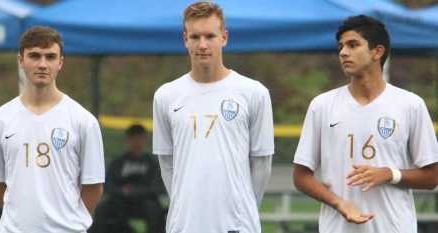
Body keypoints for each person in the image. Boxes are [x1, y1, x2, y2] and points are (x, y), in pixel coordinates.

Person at [293, 15, 438, 233]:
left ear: (377, 52)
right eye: (341, 46)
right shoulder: (322, 105)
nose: (343, 52)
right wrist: (339, 203)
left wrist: (390, 173)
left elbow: (432, 177)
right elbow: (301, 176)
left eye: (353, 45)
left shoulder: (410, 105)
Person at [152, 2, 275, 233]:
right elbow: (166, 163)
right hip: (184, 225)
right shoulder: (166, 96)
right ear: (185, 39)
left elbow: (262, 163)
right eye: (195, 36)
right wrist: (184, 204)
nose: (203, 45)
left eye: (210, 36)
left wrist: (243, 206)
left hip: (237, 225)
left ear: (224, 38)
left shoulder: (253, 92)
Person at [0, 26, 105, 233]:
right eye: (34, 56)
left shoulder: (83, 120)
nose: (42, 64)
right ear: (20, 60)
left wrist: (67, 222)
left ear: (60, 63)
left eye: (50, 57)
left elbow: (93, 187)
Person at [89, 124, 165, 233]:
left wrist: (135, 191)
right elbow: (108, 185)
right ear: (127, 140)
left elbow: (157, 187)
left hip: (145, 200)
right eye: (133, 137)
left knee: (155, 211)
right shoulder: (118, 163)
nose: (136, 141)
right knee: (103, 208)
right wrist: (123, 191)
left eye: (139, 137)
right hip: (121, 199)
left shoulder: (152, 163)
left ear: (145, 140)